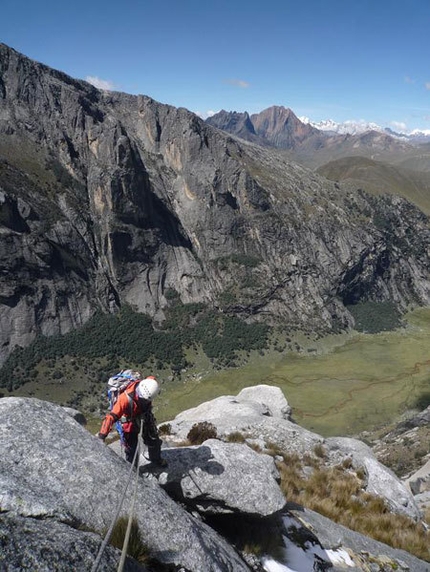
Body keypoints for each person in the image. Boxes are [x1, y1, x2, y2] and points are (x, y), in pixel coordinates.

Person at [98, 375, 166, 467]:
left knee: (154, 441)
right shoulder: (124, 399)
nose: (144, 402)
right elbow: (111, 417)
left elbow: (151, 378)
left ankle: (156, 459)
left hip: (145, 417)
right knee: (131, 450)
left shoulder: (148, 384)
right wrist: (102, 436)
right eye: (143, 400)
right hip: (129, 425)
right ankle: (133, 468)